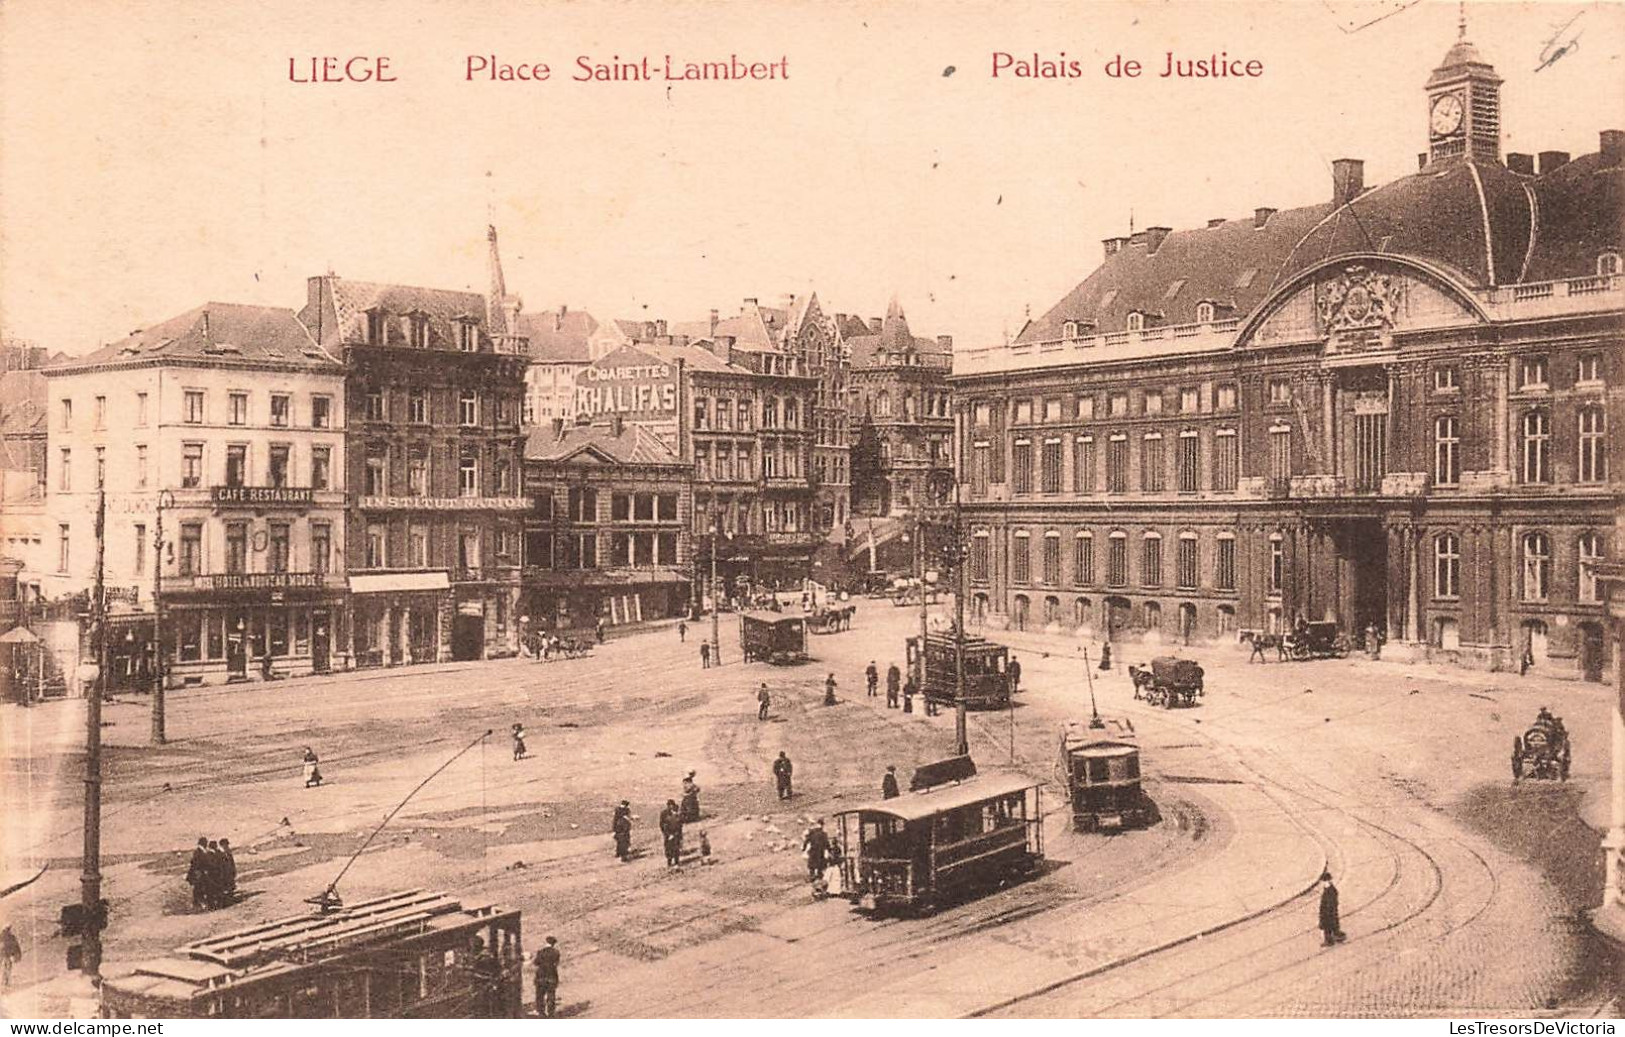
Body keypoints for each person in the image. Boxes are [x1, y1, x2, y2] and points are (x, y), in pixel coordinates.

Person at [470, 935, 500, 1018]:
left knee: (483, 1006)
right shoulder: (486, 953)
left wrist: (473, 974)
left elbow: (485, 973)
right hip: (487, 983)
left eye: (472, 944)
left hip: (485, 985)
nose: (471, 947)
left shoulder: (484, 957)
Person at [533, 936, 560, 1019]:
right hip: (551, 976)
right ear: (553, 944)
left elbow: (536, 962)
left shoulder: (540, 952)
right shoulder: (556, 952)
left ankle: (541, 1013)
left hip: (541, 976)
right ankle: (551, 1013)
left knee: (540, 995)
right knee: (551, 994)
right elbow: (556, 963)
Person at [1318, 871, 1346, 946]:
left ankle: (1329, 940)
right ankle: (1335, 936)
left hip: (1328, 912)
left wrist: (1326, 911)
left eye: (1324, 881)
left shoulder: (1330, 890)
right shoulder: (1329, 889)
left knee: (1327, 926)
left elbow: (1330, 902)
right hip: (1329, 911)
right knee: (1331, 925)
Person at [186, 836, 210, 910]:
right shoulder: (198, 851)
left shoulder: (201, 851)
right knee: (199, 888)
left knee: (199, 888)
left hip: (199, 873)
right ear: (203, 843)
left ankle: (197, 903)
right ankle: (197, 904)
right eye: (206, 843)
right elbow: (195, 863)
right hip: (198, 874)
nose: (207, 845)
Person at [802, 819, 830, 883]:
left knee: (812, 864)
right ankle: (819, 875)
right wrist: (829, 849)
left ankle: (812, 876)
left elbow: (806, 841)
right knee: (820, 864)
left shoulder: (812, 832)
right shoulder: (824, 834)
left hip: (813, 850)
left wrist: (804, 848)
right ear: (822, 825)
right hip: (820, 851)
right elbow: (827, 843)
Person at [658, 799, 683, 867]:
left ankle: (676, 862)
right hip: (668, 834)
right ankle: (669, 862)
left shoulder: (677, 814)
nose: (671, 807)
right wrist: (667, 834)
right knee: (668, 848)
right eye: (670, 805)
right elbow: (662, 825)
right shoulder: (664, 814)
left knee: (676, 848)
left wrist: (679, 835)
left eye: (672, 806)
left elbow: (680, 825)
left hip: (676, 834)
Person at [0, 924, 20, 990]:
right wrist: (17, 954)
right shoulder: (11, 937)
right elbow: (16, 947)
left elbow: (16, 946)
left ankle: (5, 983)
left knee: (6, 968)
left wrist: (16, 954)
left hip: (5, 955)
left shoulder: (4, 936)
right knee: (7, 968)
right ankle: (5, 983)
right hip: (5, 955)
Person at [218, 838, 237, 905]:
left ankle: (231, 899)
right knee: (225, 886)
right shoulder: (219, 853)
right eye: (226, 845)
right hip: (224, 873)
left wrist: (234, 870)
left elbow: (232, 862)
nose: (227, 846)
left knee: (231, 886)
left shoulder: (228, 853)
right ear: (222, 845)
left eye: (227, 845)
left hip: (229, 872)